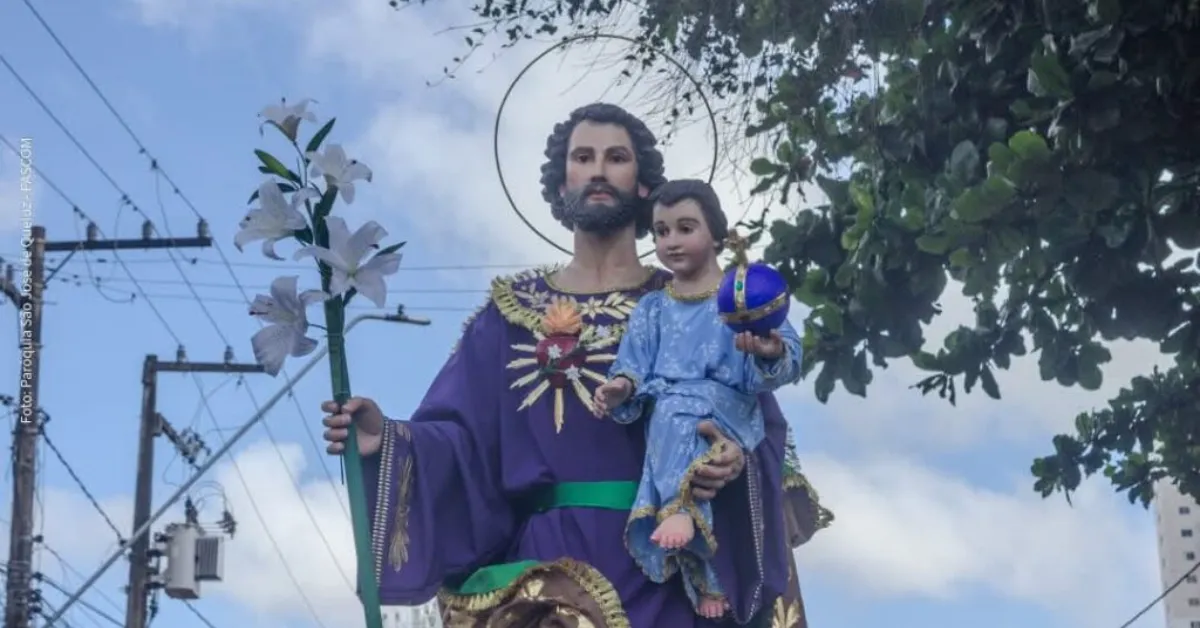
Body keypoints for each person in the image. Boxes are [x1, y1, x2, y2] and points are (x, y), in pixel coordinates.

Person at [320, 102, 831, 628]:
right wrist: (385, 439)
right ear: (562, 184)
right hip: (544, 582)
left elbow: (758, 421)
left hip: (665, 564)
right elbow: (461, 442)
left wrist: (734, 459)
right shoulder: (509, 316)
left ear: (642, 184)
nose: (599, 171)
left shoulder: (694, 303)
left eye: (617, 157)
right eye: (583, 157)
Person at [592, 179, 803, 620]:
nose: (671, 242)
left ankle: (684, 514)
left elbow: (783, 349)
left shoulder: (739, 295)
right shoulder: (652, 308)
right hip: (668, 420)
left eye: (685, 228)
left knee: (677, 417)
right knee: (669, 417)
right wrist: (621, 388)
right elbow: (633, 363)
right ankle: (702, 577)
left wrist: (769, 351)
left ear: (716, 233)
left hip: (729, 409)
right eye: (662, 231)